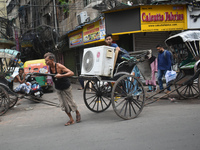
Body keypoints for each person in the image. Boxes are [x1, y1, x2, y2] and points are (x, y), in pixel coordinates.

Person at [44, 52, 81, 126]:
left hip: (66, 86)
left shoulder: (59, 66)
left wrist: (61, 75)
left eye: (47, 61)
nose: (46, 62)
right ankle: (71, 119)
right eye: (45, 61)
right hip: (58, 88)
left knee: (71, 102)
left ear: (52, 59)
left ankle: (77, 112)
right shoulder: (49, 68)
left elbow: (71, 73)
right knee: (63, 105)